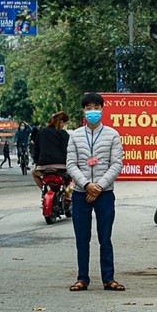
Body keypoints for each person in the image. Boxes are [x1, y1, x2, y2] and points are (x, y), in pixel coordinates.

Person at [66, 93, 124, 292]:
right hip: (81, 194)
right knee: (82, 238)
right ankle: (82, 278)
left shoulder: (112, 135)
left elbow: (116, 164)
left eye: (96, 107)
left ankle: (109, 279)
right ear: (83, 110)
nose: (92, 111)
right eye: (88, 107)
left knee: (105, 237)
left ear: (102, 109)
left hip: (105, 193)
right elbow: (71, 164)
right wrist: (86, 185)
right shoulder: (75, 135)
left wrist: (98, 186)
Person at [32, 112, 70, 190]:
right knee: (72, 177)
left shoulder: (42, 131)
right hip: (62, 167)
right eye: (65, 123)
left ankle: (44, 190)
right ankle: (66, 194)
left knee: (34, 174)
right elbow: (67, 150)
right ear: (61, 122)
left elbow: (36, 150)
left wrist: (36, 162)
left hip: (44, 167)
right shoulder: (64, 133)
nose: (64, 126)